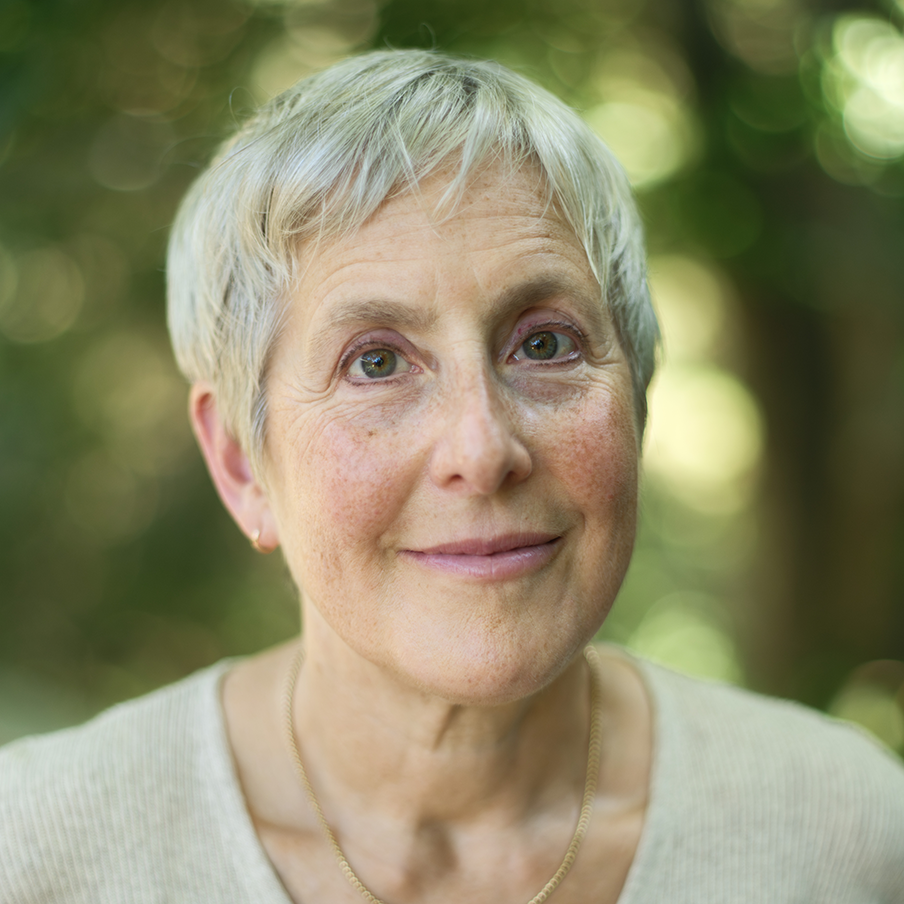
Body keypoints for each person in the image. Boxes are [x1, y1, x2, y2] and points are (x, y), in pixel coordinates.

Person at [1, 49, 903, 904]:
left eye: (544, 343)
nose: (482, 449)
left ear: (640, 398)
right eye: (377, 364)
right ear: (242, 463)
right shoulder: (40, 852)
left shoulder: (846, 830)